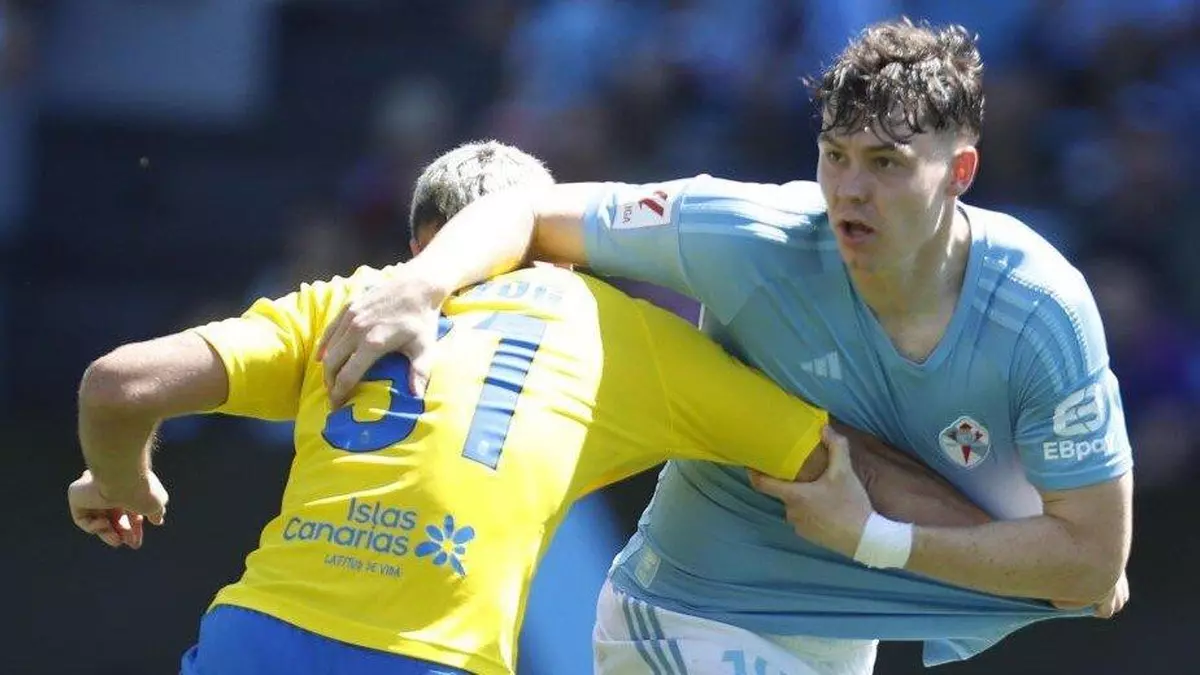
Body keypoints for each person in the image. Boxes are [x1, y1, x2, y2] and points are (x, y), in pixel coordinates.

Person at [316, 20, 1134, 675]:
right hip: (688, 612)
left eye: (886, 163)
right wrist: (420, 284)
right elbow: (530, 211)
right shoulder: (749, 236)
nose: (850, 190)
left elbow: (1093, 565)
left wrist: (881, 539)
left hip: (842, 636)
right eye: (836, 156)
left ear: (960, 171)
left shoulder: (1041, 310)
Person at [67, 141, 987, 675]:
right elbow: (834, 460)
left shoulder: (355, 301)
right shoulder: (616, 331)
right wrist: (1025, 552)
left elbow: (118, 385)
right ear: (557, 241)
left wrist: (120, 479)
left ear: (423, 244)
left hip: (255, 640)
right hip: (429, 657)